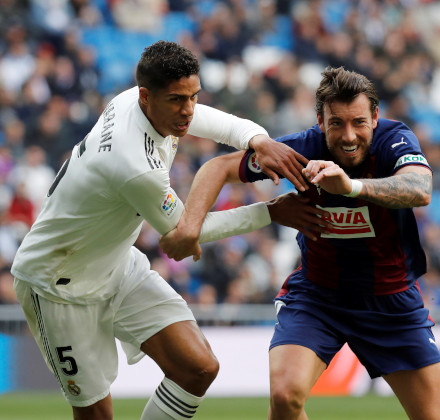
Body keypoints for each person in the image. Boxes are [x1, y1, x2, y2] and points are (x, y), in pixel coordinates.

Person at [10, 40, 322, 420]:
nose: (188, 110)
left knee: (198, 367)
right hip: (57, 283)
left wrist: (258, 139)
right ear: (147, 97)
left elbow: (212, 120)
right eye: (177, 100)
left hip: (115, 263)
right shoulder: (134, 164)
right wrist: (270, 212)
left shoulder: (139, 102)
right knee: (96, 416)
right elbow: (185, 233)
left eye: (193, 96)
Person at [160, 66, 440, 420]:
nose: (348, 136)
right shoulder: (300, 151)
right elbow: (218, 167)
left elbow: (421, 189)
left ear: (375, 117)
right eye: (336, 123)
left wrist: (351, 188)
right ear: (319, 120)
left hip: (391, 302)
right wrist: (190, 227)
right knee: (284, 398)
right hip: (318, 298)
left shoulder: (394, 140)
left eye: (358, 122)